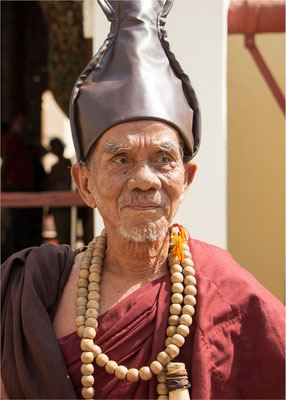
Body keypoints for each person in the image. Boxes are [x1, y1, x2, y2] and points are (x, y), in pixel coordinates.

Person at [1, 1, 284, 399]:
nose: (144, 181)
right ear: (84, 183)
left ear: (186, 180)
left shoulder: (231, 294)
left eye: (163, 159)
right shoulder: (34, 290)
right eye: (121, 160)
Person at [45, 138, 72, 244]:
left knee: (66, 233)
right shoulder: (55, 166)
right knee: (62, 234)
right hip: (58, 205)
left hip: (67, 204)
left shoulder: (67, 163)